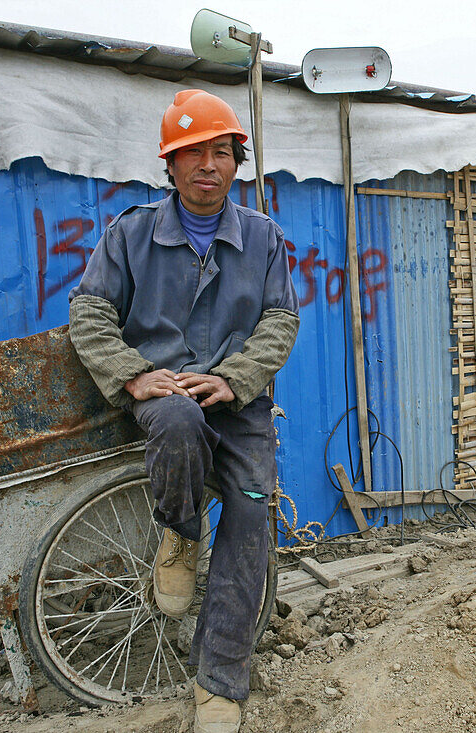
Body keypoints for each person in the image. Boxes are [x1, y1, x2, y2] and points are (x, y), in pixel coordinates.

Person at [67, 89, 299, 733]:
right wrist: (133, 374)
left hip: (239, 406)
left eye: (220, 152)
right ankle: (180, 530)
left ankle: (220, 683)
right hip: (168, 399)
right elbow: (88, 311)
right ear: (169, 166)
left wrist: (236, 377)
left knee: (252, 518)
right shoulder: (131, 233)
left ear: (236, 163)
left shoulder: (264, 239)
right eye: (191, 153)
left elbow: (281, 319)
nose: (207, 165)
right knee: (175, 419)